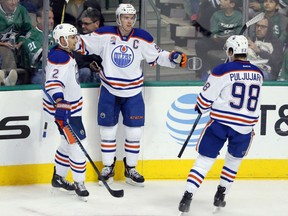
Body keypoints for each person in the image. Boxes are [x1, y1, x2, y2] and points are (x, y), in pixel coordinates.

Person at [76, 3, 187, 186]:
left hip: (133, 91)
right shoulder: (105, 34)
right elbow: (82, 43)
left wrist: (173, 59)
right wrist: (66, 38)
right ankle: (108, 167)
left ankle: (131, 168)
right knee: (108, 131)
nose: (129, 21)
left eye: (132, 17)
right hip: (109, 89)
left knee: (134, 132)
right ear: (119, 18)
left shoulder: (142, 37)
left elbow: (158, 55)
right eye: (125, 17)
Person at [178, 35, 263, 214]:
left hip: (221, 125)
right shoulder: (258, 73)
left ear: (230, 51)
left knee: (204, 161)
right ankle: (220, 195)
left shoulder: (222, 70)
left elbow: (205, 99)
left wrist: (200, 106)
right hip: (245, 128)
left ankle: (187, 196)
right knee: (233, 161)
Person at [44, 23, 89, 201]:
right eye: (72, 37)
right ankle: (80, 182)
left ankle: (58, 178)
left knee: (66, 143)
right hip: (66, 111)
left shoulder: (65, 54)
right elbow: (54, 83)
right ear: (62, 39)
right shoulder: (59, 57)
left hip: (70, 109)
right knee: (78, 144)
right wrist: (60, 103)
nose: (75, 40)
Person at [195, 0, 242, 80]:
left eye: (225, 0)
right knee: (199, 45)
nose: (221, 1)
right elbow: (214, 32)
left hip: (232, 44)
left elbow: (239, 33)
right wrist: (215, 37)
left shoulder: (239, 16)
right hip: (218, 42)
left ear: (232, 4)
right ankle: (206, 70)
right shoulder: (216, 15)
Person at [0, 0, 32, 85]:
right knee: (5, 50)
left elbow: (28, 32)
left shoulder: (22, 11)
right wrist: (3, 44)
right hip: (3, 46)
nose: (14, 2)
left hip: (16, 45)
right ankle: (7, 81)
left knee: (28, 47)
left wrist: (20, 43)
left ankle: (29, 79)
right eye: (10, 0)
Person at [21, 7, 55, 84]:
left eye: (52, 18)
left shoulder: (55, 33)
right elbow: (39, 57)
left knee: (84, 72)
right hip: (39, 73)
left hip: (57, 70)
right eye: (48, 18)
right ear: (39, 19)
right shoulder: (31, 36)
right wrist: (57, 48)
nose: (52, 21)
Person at [73, 7, 103, 83]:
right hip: (84, 68)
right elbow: (76, 59)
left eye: (86, 24)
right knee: (85, 72)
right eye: (81, 23)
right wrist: (89, 65)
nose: (83, 26)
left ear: (97, 23)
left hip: (101, 69)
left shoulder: (105, 36)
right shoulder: (78, 37)